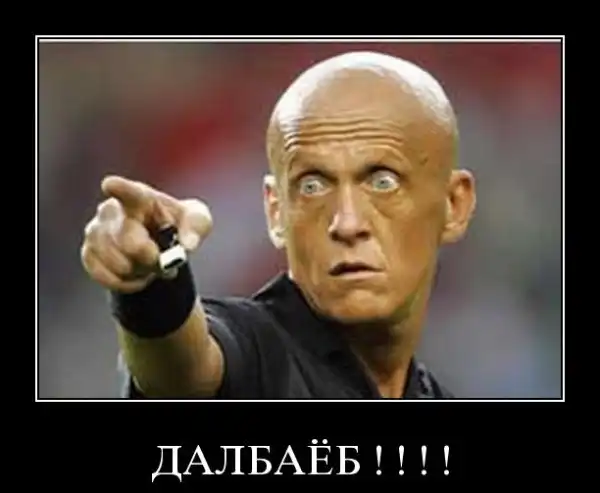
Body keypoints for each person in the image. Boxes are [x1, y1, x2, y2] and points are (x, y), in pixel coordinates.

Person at [80, 50, 477, 399]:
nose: (347, 223)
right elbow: (181, 372)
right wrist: (151, 284)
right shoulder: (258, 353)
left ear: (454, 205)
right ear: (275, 212)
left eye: (382, 182)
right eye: (312, 186)